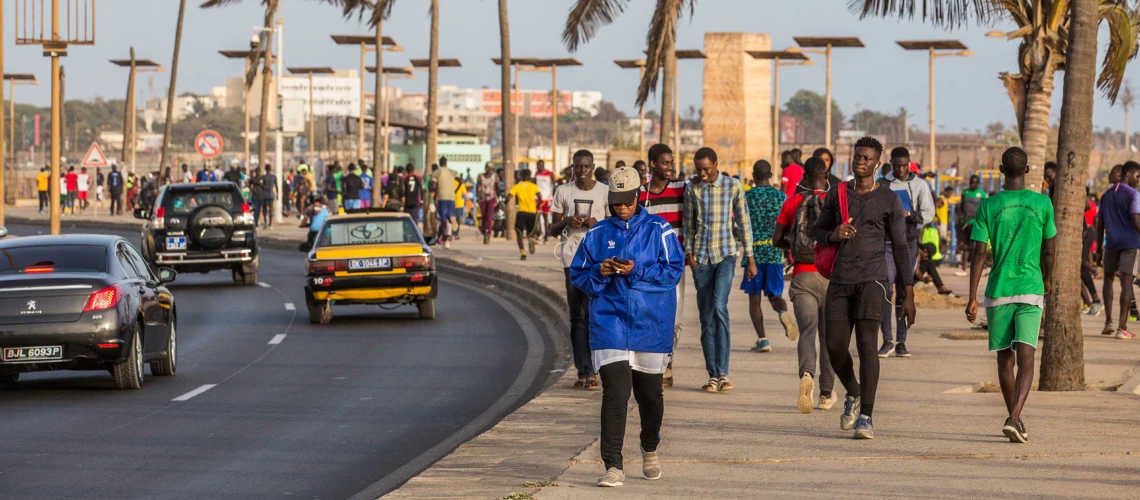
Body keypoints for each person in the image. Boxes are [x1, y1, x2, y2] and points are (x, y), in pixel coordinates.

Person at [569, 166, 683, 488]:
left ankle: (649, 447)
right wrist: (600, 273)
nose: (621, 208)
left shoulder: (659, 230)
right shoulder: (597, 234)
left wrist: (637, 270)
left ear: (638, 196)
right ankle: (613, 466)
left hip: (650, 323)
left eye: (627, 202)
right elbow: (579, 275)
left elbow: (672, 271)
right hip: (610, 322)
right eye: (615, 202)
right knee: (615, 394)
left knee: (650, 397)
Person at [812, 136, 915, 440]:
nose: (861, 161)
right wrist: (834, 234)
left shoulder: (889, 199)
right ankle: (853, 392)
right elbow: (817, 230)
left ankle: (866, 417)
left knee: (867, 346)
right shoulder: (838, 193)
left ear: (876, 163)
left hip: (873, 278)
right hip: (841, 279)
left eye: (867, 158)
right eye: (857, 156)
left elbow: (900, 247)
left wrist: (908, 292)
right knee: (833, 346)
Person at [964, 146, 1055, 443]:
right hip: (1030, 287)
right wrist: (1048, 278)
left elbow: (978, 253)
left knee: (1006, 358)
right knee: (1027, 355)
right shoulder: (1042, 204)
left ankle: (1014, 417)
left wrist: (972, 296)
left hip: (998, 290)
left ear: (1001, 171)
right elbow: (1050, 248)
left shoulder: (989, 206)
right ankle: (1014, 418)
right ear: (1027, 171)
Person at [683, 147, 756, 393]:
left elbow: (743, 221)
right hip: (701, 258)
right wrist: (689, 255)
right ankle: (713, 374)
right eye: (698, 169)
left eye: (706, 168)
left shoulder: (733, 186)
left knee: (719, 306)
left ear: (716, 164)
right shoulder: (692, 188)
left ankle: (724, 372)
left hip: (725, 253)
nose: (702, 173)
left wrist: (750, 257)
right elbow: (689, 223)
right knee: (705, 316)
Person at [773, 156, 837, 413]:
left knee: (807, 331)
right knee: (829, 336)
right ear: (826, 175)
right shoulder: (835, 203)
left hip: (802, 276)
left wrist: (797, 246)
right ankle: (826, 394)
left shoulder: (792, 202)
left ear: (804, 177)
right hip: (830, 278)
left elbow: (777, 238)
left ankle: (807, 374)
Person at [552, 150, 610, 390]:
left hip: (597, 262)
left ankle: (596, 368)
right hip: (572, 261)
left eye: (586, 166)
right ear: (572, 168)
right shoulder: (563, 191)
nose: (582, 170)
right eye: (578, 167)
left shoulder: (604, 192)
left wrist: (598, 224)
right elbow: (552, 229)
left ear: (593, 167)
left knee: (597, 314)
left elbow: (615, 225)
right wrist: (567, 221)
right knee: (578, 317)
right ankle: (583, 371)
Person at [878, 147, 934, 358]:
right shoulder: (883, 184)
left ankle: (901, 341)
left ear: (909, 163)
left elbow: (929, 213)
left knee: (904, 288)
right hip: (885, 243)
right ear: (891, 163)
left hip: (908, 242)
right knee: (885, 287)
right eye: (897, 165)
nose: (901, 169)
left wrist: (909, 214)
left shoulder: (919, 184)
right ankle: (887, 339)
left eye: (904, 165)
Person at [638, 144, 686, 388]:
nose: (670, 167)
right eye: (666, 163)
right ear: (653, 164)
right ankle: (654, 365)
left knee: (675, 320)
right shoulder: (640, 194)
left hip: (675, 264)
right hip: (647, 265)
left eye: (672, 163)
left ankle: (668, 361)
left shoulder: (681, 188)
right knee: (650, 316)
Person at [741, 159, 797, 354]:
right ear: (771, 176)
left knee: (754, 300)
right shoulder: (781, 197)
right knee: (775, 296)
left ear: (754, 177)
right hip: (774, 253)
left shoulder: (746, 197)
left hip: (752, 255)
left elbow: (739, 224)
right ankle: (783, 312)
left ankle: (762, 340)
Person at [1096, 161, 1140, 339]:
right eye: (1137, 176)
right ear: (1128, 174)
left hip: (1111, 243)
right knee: (1127, 283)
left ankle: (1108, 321)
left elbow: (1100, 225)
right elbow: (1136, 220)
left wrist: (1099, 249)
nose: (1138, 180)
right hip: (1131, 243)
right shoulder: (1133, 194)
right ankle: (1122, 327)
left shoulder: (1105, 195)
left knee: (1108, 278)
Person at [954, 175, 988, 276]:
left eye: (974, 183)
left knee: (979, 247)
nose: (973, 184)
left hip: (976, 224)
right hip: (965, 223)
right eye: (971, 183)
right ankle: (964, 268)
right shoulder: (965, 192)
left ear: (978, 183)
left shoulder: (982, 194)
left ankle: (984, 267)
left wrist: (974, 216)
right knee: (965, 246)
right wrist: (961, 216)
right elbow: (961, 205)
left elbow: (985, 209)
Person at [506, 169, 541, 260]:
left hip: (521, 212)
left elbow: (508, 197)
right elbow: (540, 197)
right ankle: (530, 239)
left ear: (521, 176)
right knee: (530, 231)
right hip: (532, 212)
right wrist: (538, 206)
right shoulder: (534, 186)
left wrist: (505, 203)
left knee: (519, 232)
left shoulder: (517, 186)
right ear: (530, 176)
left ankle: (523, 252)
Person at [432, 158, 459, 249]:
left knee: (443, 218)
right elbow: (460, 181)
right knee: (450, 215)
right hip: (451, 197)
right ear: (446, 163)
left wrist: (434, 193)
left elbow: (433, 185)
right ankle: (452, 219)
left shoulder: (437, 172)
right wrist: (455, 190)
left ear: (440, 163)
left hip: (442, 197)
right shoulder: (452, 172)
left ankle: (446, 237)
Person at [476, 164, 499, 244]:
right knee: (483, 217)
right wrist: (478, 197)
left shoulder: (494, 176)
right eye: (487, 167)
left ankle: (488, 234)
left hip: (491, 198)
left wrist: (497, 198)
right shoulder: (480, 176)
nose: (488, 169)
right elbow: (477, 187)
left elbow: (496, 187)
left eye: (490, 168)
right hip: (482, 198)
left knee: (489, 217)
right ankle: (484, 231)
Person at [534, 159, 555, 243]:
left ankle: (546, 235)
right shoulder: (536, 173)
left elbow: (554, 185)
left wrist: (553, 197)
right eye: (537, 165)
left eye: (539, 165)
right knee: (537, 217)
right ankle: (538, 234)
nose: (538, 167)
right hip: (537, 198)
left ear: (542, 165)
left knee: (546, 218)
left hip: (547, 198)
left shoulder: (550, 174)